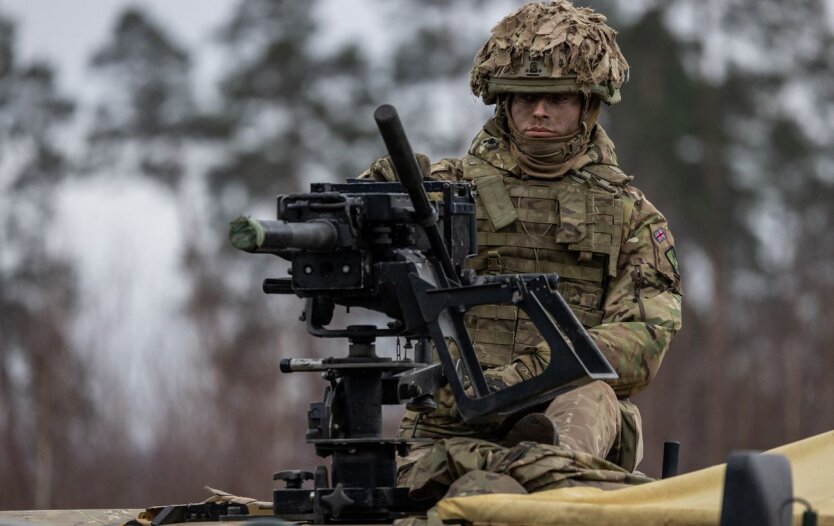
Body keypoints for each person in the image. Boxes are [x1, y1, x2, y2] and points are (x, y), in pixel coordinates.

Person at [361, 0, 682, 499]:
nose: (538, 111)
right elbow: (369, 267)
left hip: (571, 420)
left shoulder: (630, 216)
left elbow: (644, 337)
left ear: (587, 104)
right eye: (523, 97)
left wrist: (532, 373)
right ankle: (507, 477)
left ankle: (541, 472)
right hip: (453, 426)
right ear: (503, 103)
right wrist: (376, 207)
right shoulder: (443, 193)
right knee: (474, 490)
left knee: (589, 394)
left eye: (556, 99)